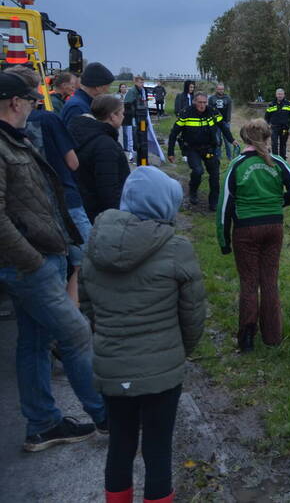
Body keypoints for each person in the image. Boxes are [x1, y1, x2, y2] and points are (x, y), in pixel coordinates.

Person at [80, 166, 205, 503]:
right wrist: (176, 353)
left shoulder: (93, 246)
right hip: (161, 375)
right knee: (158, 449)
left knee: (119, 445)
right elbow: (193, 316)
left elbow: (88, 307)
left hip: (111, 368)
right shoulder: (176, 248)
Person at [0, 71, 106, 452]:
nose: (33, 106)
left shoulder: (14, 139)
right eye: (30, 100)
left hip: (39, 257)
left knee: (34, 341)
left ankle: (43, 424)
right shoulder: (3, 144)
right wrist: (32, 262)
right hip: (30, 264)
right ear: (15, 103)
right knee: (77, 333)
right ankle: (106, 415)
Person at [217, 119, 290, 351]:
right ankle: (272, 337)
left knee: (248, 282)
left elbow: (224, 206)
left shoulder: (237, 165)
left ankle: (246, 340)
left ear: (245, 138)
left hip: (245, 230)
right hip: (273, 227)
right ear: (267, 137)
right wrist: (279, 203)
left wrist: (224, 241)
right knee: (269, 281)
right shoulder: (277, 162)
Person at [7, 66, 93, 305]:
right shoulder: (49, 119)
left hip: (29, 212)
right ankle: (72, 315)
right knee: (83, 261)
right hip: (65, 201)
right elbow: (72, 163)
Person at [167, 92, 237, 210]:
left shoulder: (212, 111)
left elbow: (223, 126)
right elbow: (174, 133)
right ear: (194, 102)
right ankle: (193, 191)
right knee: (198, 171)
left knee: (214, 175)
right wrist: (170, 152)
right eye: (200, 102)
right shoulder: (186, 113)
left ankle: (214, 202)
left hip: (209, 148)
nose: (202, 105)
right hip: (192, 148)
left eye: (204, 102)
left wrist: (232, 140)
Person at [68, 95, 131, 221]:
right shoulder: (105, 145)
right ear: (113, 116)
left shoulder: (83, 133)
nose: (124, 117)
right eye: (122, 113)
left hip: (86, 206)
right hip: (102, 216)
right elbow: (109, 190)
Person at [264, 88, 290, 160]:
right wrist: (266, 126)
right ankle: (275, 159)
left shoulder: (289, 104)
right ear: (276, 95)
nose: (280, 95)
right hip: (274, 128)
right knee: (274, 144)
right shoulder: (271, 104)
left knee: (283, 144)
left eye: (281, 94)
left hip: (285, 128)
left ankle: (283, 159)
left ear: (284, 95)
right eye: (278, 94)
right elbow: (266, 117)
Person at [123, 75, 149, 162]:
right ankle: (132, 153)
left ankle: (142, 158)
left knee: (142, 136)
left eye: (143, 82)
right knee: (133, 135)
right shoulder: (132, 91)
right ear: (136, 82)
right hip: (133, 118)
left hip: (141, 118)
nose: (142, 84)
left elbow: (144, 102)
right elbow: (127, 104)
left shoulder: (142, 91)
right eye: (140, 82)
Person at [210, 83, 233, 160]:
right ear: (216, 89)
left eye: (222, 89)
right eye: (219, 89)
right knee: (217, 140)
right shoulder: (212, 98)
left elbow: (229, 110)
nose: (221, 90)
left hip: (225, 122)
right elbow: (209, 110)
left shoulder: (228, 98)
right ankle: (218, 156)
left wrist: (229, 120)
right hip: (216, 123)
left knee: (227, 140)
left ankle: (229, 156)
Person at [116, 83, 134, 158]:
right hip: (120, 116)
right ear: (120, 88)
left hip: (128, 116)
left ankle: (129, 149)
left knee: (128, 133)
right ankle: (124, 148)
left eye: (124, 87)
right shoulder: (117, 96)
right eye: (122, 87)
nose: (123, 88)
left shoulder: (129, 95)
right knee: (122, 132)